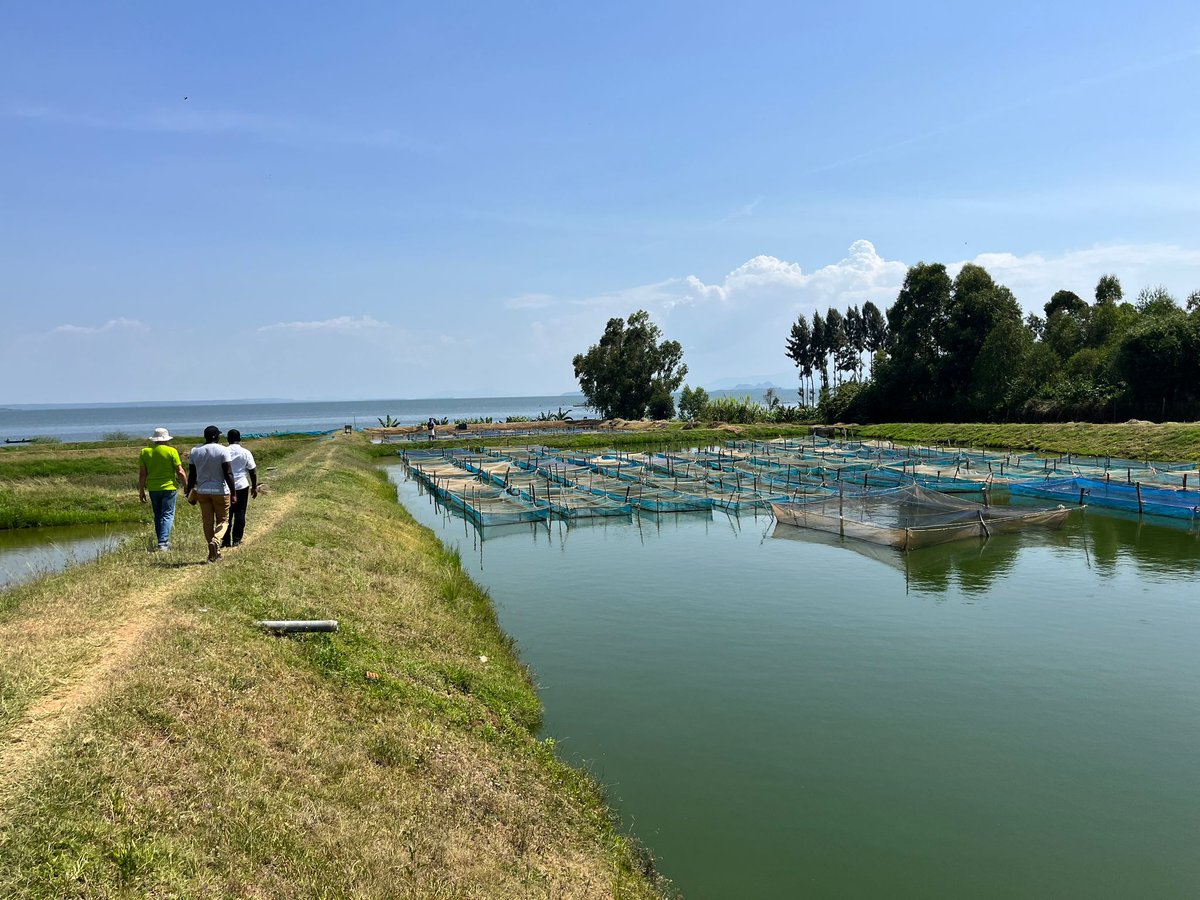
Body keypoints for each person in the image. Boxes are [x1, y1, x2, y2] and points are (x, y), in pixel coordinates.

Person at [185, 425, 236, 562]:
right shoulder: (223, 450)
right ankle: (216, 540)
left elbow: (192, 474)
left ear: (205, 437)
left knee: (207, 522)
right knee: (224, 521)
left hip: (202, 491)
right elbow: (228, 473)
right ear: (217, 437)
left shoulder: (195, 451)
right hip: (220, 490)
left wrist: (189, 489)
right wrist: (233, 492)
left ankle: (214, 553)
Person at [138, 427, 187, 551]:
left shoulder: (145, 452)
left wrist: (141, 490)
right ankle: (163, 542)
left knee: (158, 515)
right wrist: (186, 485)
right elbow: (180, 471)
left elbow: (143, 474)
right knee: (168, 514)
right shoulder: (171, 451)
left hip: (153, 488)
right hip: (169, 487)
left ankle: (161, 541)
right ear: (166, 439)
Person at [221, 429, 258, 550]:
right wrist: (254, 486)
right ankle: (237, 539)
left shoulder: (223, 451)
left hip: (226, 486)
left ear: (228, 439)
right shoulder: (245, 452)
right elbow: (252, 470)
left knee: (227, 514)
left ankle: (225, 540)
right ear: (240, 439)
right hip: (242, 485)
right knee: (240, 513)